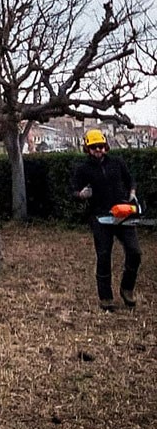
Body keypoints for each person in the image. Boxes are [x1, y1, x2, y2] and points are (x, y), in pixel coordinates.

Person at [72, 128, 141, 312]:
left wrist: (132, 194)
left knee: (135, 252)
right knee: (103, 255)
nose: (98, 150)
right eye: (94, 147)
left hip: (122, 212)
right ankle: (106, 297)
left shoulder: (117, 163)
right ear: (87, 149)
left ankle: (127, 288)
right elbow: (73, 191)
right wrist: (81, 194)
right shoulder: (83, 169)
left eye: (101, 146)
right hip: (100, 216)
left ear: (106, 146)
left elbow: (130, 180)